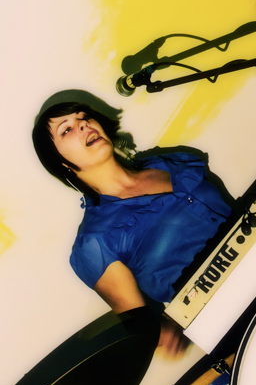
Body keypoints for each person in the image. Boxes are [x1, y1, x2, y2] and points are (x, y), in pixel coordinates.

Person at [32, 93, 232, 357]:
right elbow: (146, 327)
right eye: (66, 129)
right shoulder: (95, 242)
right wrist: (167, 331)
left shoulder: (169, 163)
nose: (83, 124)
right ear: (61, 163)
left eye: (83, 117)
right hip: (230, 315)